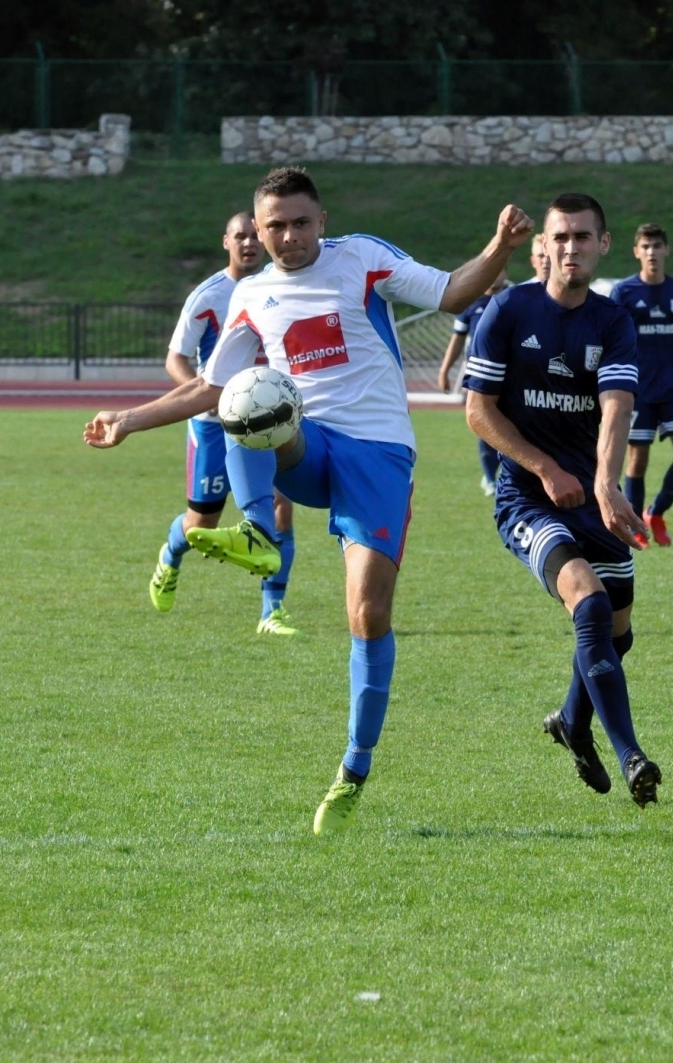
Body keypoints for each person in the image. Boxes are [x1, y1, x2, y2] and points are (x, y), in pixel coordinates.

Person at [86, 166, 532, 834]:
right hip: (305, 447)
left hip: (378, 454)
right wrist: (130, 418)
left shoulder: (363, 258)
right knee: (248, 394)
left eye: (299, 222)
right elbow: (208, 388)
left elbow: (448, 293)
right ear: (256, 231)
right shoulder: (253, 296)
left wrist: (499, 247)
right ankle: (259, 531)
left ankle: (353, 768)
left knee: (368, 614)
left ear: (322, 221)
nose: (288, 237)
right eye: (274, 226)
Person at [461, 192, 663, 808]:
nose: (570, 248)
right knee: (592, 603)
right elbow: (478, 412)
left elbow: (616, 405)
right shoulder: (506, 310)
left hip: (589, 498)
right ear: (542, 247)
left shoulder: (612, 321)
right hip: (527, 497)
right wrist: (544, 468)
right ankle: (632, 756)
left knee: (616, 633)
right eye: (560, 238)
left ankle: (572, 723)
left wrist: (605, 484)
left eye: (582, 237)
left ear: (604, 245)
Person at [148, 211, 300, 635]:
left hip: (266, 419)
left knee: (278, 508)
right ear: (226, 242)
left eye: (255, 235)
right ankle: (171, 555)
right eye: (241, 237)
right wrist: (208, 394)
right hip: (213, 424)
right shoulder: (209, 295)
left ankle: (272, 611)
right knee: (203, 524)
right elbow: (176, 357)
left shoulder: (278, 287)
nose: (249, 243)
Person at [608, 223, 673, 547]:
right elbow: (611, 340)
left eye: (657, 246)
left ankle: (656, 511)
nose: (651, 252)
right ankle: (635, 526)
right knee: (638, 460)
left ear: (666, 250)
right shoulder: (623, 292)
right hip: (637, 390)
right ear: (636, 252)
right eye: (645, 247)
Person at [435, 269, 509, 496]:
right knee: (485, 425)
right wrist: (445, 370)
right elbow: (457, 340)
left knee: (511, 428)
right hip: (479, 377)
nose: (497, 274)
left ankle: (506, 476)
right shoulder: (471, 303)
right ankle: (489, 478)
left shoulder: (513, 299)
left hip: (510, 375)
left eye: (502, 269)